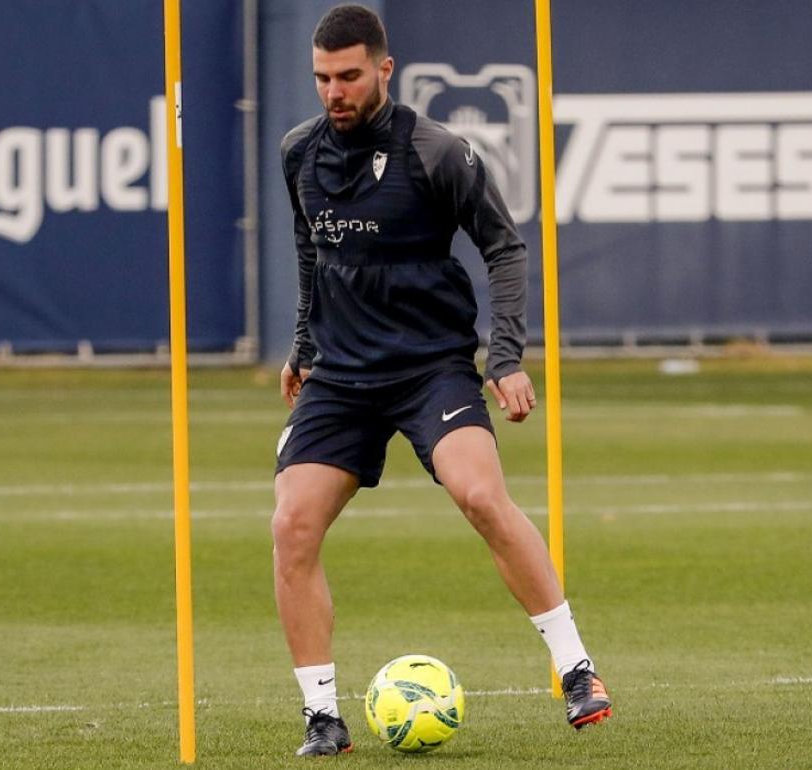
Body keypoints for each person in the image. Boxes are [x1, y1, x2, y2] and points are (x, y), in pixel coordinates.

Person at [272, 4, 612, 757]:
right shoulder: (299, 151)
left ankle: (576, 669)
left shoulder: (438, 152)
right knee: (291, 526)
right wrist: (301, 344)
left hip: (431, 369)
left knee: (482, 496)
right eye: (323, 77)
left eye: (350, 75)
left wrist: (507, 356)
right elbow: (309, 252)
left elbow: (504, 248)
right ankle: (322, 718)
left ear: (384, 70)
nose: (336, 90)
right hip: (341, 376)